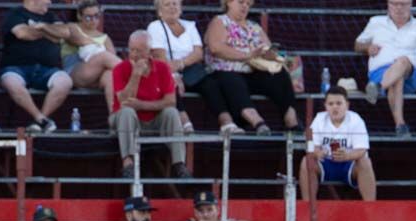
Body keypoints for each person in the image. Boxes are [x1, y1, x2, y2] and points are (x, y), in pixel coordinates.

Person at [204, 0, 299, 135]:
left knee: (280, 74)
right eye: (241, 2)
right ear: (229, 3)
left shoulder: (254, 26)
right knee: (232, 80)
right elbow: (215, 48)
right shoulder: (220, 22)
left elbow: (268, 47)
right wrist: (246, 55)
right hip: (226, 70)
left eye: (248, 4)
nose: (245, 6)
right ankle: (258, 122)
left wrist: (271, 55)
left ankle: (291, 120)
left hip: (253, 70)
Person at [112, 30, 192, 181]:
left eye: (139, 51)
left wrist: (141, 104)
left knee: (171, 112)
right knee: (127, 111)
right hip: (127, 120)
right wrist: (135, 75)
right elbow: (124, 101)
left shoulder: (162, 68)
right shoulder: (120, 69)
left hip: (154, 120)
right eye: (132, 50)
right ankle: (128, 163)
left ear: (149, 52)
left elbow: (171, 101)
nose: (134, 54)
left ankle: (179, 163)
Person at [356, 0, 416, 137]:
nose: (399, 8)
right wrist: (367, 48)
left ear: (411, 5)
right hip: (379, 72)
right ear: (388, 4)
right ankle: (400, 125)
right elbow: (357, 44)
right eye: (394, 3)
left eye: (403, 4)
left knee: (402, 61)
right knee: (397, 79)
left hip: (409, 74)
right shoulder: (375, 22)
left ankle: (376, 89)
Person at [0, 0, 75, 133]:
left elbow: (65, 33)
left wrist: (43, 26)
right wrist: (50, 32)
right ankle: (41, 118)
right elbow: (23, 34)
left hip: (46, 70)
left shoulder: (50, 17)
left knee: (65, 82)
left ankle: (39, 121)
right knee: (11, 82)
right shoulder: (15, 14)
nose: (49, 2)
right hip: (16, 68)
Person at [300, 85, 375, 202]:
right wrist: (318, 152)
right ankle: (308, 206)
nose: (335, 107)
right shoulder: (319, 119)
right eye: (330, 104)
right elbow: (310, 146)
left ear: (347, 105)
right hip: (326, 162)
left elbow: (362, 149)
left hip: (349, 163)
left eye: (339, 103)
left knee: (365, 162)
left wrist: (348, 156)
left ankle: (371, 208)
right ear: (325, 106)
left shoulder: (356, 119)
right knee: (307, 161)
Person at [148, 0, 206, 135]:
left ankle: (226, 123)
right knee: (169, 82)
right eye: (167, 4)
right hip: (163, 69)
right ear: (159, 11)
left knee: (211, 84)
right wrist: (174, 75)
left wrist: (181, 64)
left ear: (180, 8)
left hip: (189, 68)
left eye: (175, 3)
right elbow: (159, 57)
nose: (172, 7)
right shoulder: (155, 26)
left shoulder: (190, 26)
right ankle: (184, 120)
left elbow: (198, 53)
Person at [62, 0, 123, 113]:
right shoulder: (72, 27)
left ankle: (115, 118)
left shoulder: (105, 37)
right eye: (88, 17)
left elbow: (113, 64)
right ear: (79, 16)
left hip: (98, 77)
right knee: (104, 56)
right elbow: (78, 40)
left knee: (110, 75)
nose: (93, 21)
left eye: (96, 16)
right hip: (76, 70)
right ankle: (134, 75)